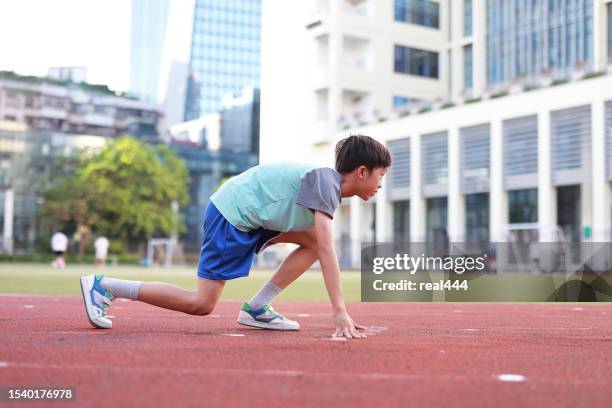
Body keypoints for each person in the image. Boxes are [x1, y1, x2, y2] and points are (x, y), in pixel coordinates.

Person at [79, 135, 391, 339]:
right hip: (233, 214)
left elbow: (317, 243)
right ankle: (105, 286)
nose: (381, 184)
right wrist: (339, 310)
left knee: (309, 241)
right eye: (381, 175)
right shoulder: (326, 182)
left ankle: (257, 308)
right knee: (202, 303)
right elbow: (328, 250)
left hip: (253, 219)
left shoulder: (326, 186)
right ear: (362, 172)